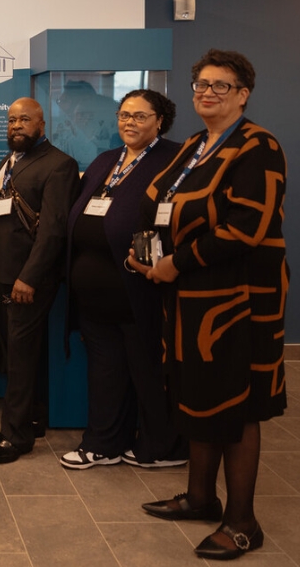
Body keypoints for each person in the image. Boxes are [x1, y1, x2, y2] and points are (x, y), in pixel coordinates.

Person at [131, 49, 287, 561]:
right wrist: (151, 253)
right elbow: (164, 202)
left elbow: (245, 228)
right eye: (201, 83)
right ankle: (200, 498)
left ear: (243, 93)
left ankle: (242, 522)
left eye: (221, 85)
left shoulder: (257, 146)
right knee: (199, 395)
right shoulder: (197, 144)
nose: (207, 92)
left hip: (238, 302)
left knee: (237, 406)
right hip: (190, 299)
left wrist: (177, 261)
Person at [60, 90, 186, 470]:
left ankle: (164, 447)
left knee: (148, 374)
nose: (129, 122)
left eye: (140, 116)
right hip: (96, 300)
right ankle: (104, 443)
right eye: (124, 115)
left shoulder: (174, 160)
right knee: (106, 375)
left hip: (141, 292)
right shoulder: (106, 160)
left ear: (159, 120)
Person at [0, 97, 79, 464]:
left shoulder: (59, 165)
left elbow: (53, 231)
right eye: (11, 120)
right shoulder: (12, 161)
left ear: (42, 124)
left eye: (24, 120)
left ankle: (16, 436)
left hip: (27, 280)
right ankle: (30, 418)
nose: (16, 126)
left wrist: (29, 277)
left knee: (21, 358)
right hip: (2, 274)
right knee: (16, 353)